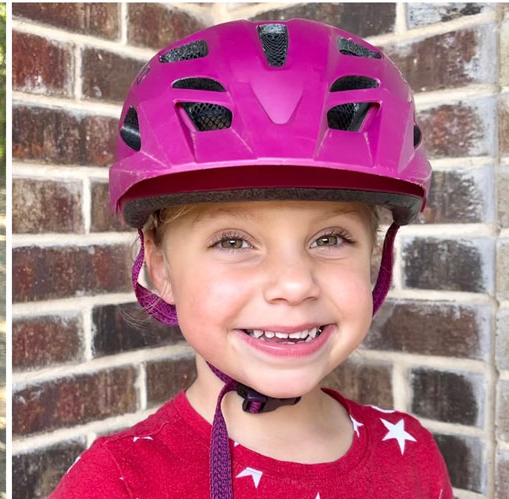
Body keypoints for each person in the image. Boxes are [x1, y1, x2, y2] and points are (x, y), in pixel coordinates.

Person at [52, 19, 452, 498]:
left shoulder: (412, 455)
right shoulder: (115, 482)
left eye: (330, 239)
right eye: (233, 242)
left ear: (374, 257)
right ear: (159, 267)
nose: (293, 284)